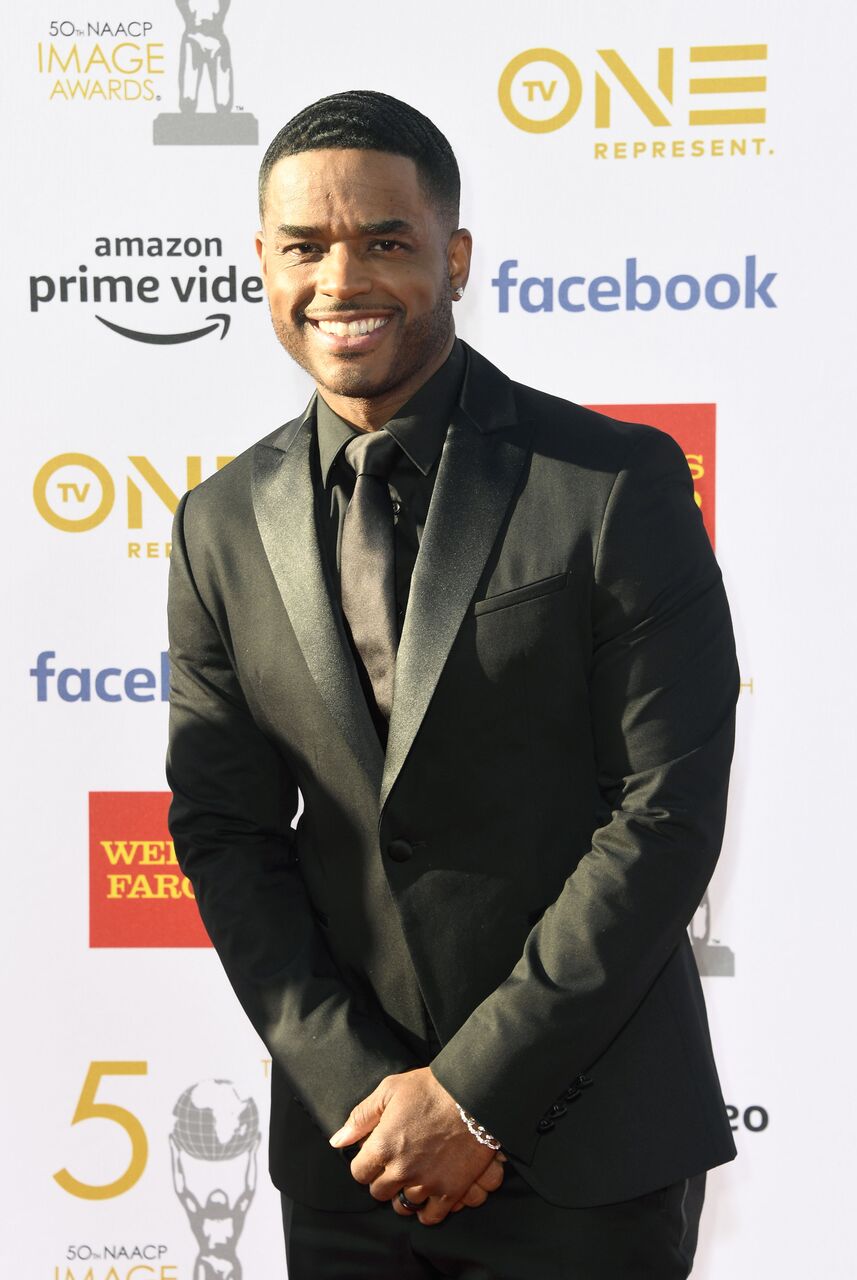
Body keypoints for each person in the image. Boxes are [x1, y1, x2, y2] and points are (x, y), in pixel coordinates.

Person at [166, 89, 739, 1278]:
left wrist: (470, 1095)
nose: (341, 278)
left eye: (385, 240)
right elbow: (224, 826)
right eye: (303, 246)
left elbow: (663, 812)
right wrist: (366, 1091)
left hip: (586, 1144)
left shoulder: (609, 480)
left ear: (455, 255)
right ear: (260, 263)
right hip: (351, 1159)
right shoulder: (217, 523)